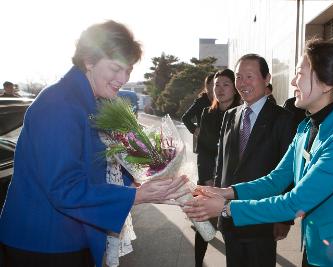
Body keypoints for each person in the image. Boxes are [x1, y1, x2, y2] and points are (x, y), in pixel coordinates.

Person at [0, 20, 188, 267]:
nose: (123, 78)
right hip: (44, 244)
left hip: (67, 238)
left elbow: (97, 169)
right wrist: (135, 196)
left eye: (128, 70)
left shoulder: (91, 102)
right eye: (115, 68)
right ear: (89, 61)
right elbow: (64, 188)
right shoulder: (60, 104)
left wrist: (147, 173)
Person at [184, 40, 333, 266]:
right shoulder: (307, 127)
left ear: (327, 83)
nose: (292, 81)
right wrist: (224, 191)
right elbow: (275, 180)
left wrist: (225, 208)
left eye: (300, 74)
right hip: (317, 249)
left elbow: (293, 202)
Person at [209, 54, 297, 267]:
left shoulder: (283, 119)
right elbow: (221, 165)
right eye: (239, 77)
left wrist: (284, 218)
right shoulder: (230, 115)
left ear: (266, 79)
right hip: (230, 215)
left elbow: (287, 172)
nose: (243, 83)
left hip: (262, 219)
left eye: (250, 76)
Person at [194, 69, 241, 267]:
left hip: (234, 183)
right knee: (202, 227)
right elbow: (203, 151)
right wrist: (206, 180)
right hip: (209, 182)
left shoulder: (243, 113)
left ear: (235, 87)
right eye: (216, 85)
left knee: (232, 231)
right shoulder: (208, 113)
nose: (220, 89)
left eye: (225, 84)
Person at [181, 73, 214, 153]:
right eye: (213, 84)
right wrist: (195, 130)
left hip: (217, 145)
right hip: (203, 144)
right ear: (207, 85)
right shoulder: (200, 101)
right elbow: (185, 118)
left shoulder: (221, 101)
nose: (216, 87)